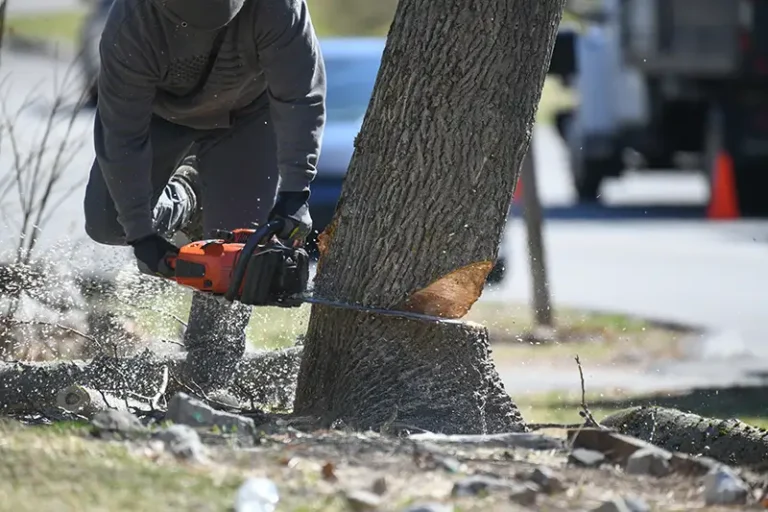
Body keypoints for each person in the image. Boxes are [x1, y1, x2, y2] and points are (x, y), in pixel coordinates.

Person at [82, 0, 326, 406]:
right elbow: (121, 136)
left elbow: (301, 96)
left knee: (237, 258)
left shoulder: (280, 8)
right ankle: (188, 195)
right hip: (161, 116)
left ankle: (208, 382)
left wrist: (296, 193)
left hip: (250, 116)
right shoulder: (131, 23)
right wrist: (142, 234)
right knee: (110, 223)